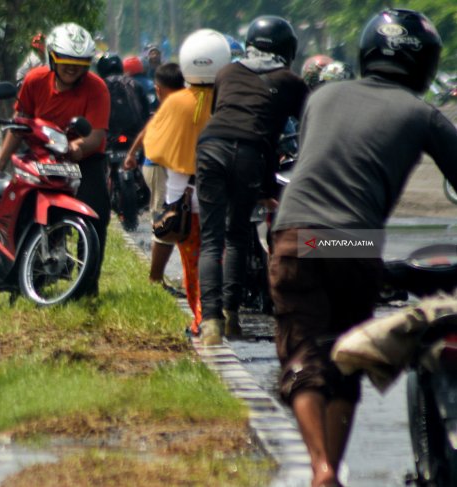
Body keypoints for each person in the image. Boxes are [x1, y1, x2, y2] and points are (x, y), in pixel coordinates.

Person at [269, 9, 457, 487]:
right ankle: (331, 469)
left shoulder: (323, 95)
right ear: (425, 66)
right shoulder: (423, 114)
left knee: (302, 356)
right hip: (357, 242)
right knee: (345, 357)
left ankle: (322, 470)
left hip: (298, 236)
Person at [195, 15, 308, 345]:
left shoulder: (227, 72)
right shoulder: (290, 81)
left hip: (209, 147)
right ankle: (231, 317)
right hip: (249, 155)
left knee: (211, 238)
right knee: (237, 234)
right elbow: (310, 125)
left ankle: (211, 323)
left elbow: (224, 114)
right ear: (288, 50)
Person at [0, 22, 110, 296]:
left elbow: (96, 136)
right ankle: (6, 260)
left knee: (98, 211)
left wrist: (78, 147)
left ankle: (89, 285)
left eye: (79, 64)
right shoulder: (34, 80)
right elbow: (20, 123)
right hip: (40, 155)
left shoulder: (97, 88)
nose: (72, 69)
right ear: (52, 58)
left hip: (83, 160)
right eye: (65, 63)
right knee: (19, 203)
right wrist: (1, 158)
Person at [132, 29, 231, 336]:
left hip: (184, 199)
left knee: (192, 261)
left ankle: (200, 318)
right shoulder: (230, 100)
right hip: (222, 196)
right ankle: (220, 311)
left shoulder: (175, 103)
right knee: (219, 254)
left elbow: (156, 149)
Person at [123, 62, 184, 296]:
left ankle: (164, 276)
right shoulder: (174, 104)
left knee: (172, 217)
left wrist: (131, 154)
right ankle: (155, 279)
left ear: (158, 88)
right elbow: (148, 129)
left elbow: (147, 129)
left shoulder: (170, 104)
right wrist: (131, 154)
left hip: (163, 166)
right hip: (158, 167)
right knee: (163, 217)